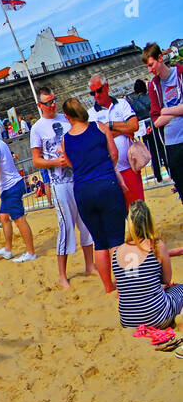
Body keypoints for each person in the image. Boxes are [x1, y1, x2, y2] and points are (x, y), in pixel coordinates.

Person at [30, 87, 95, 288]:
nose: (52, 105)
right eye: (48, 102)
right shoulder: (37, 128)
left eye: (54, 100)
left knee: (86, 222)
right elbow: (36, 160)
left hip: (78, 177)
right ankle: (62, 275)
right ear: (40, 105)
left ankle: (89, 265)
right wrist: (55, 163)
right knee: (65, 226)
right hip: (59, 183)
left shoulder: (66, 119)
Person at [62, 96, 126, 293]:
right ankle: (123, 285)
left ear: (67, 117)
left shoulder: (65, 140)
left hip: (83, 189)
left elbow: (71, 164)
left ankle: (108, 286)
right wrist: (106, 168)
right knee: (116, 239)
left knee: (99, 242)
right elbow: (114, 154)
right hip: (106, 183)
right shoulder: (99, 127)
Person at [110, 200, 183, 330]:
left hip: (128, 319)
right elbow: (166, 279)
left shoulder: (116, 252)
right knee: (180, 289)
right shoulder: (156, 246)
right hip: (156, 317)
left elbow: (122, 284)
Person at [0, 122, 36, 262]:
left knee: (19, 219)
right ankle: (8, 250)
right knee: (3, 217)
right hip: (10, 186)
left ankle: (30, 252)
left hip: (11, 186)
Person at [88, 73, 141, 206]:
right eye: (92, 93)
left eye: (99, 90)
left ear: (107, 87)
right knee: (118, 213)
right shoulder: (90, 114)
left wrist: (110, 125)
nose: (96, 95)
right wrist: (123, 129)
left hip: (130, 167)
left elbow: (134, 126)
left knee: (139, 210)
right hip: (109, 172)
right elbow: (96, 140)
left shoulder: (122, 104)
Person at [144, 42, 183, 193]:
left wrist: (166, 110)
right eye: (148, 66)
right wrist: (177, 110)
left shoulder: (180, 74)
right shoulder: (154, 85)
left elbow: (161, 115)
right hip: (172, 145)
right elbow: (156, 120)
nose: (150, 70)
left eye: (151, 64)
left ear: (160, 58)